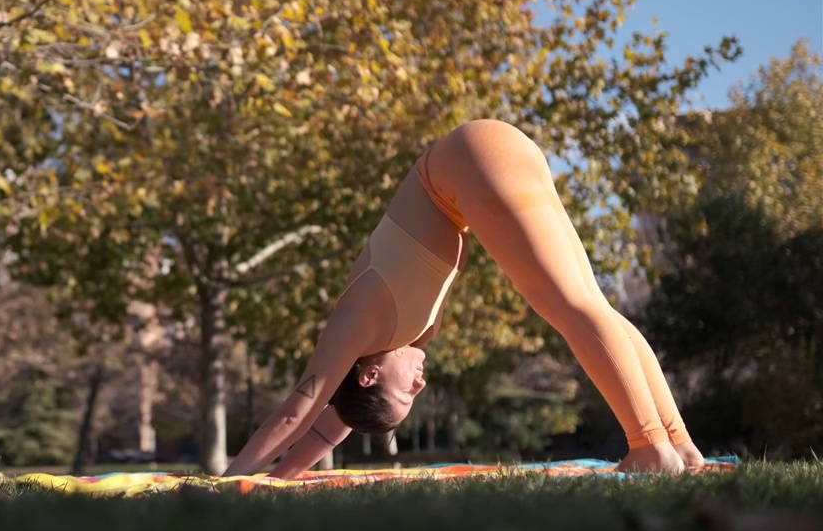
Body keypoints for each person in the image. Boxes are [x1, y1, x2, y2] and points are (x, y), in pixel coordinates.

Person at [223, 119, 704, 479]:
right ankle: (678, 445)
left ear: (369, 373)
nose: (420, 386)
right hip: (491, 156)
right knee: (591, 305)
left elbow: (299, 408)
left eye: (403, 393)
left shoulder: (357, 321)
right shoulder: (401, 340)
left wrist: (231, 482)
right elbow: (335, 423)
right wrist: (279, 480)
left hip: (473, 162)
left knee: (566, 305)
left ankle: (648, 446)